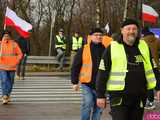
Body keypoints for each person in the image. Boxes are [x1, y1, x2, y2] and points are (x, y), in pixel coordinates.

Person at [96, 18, 160, 120]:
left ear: (137, 31)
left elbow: (153, 67)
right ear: (122, 30)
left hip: (139, 96)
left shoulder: (144, 46)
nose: (131, 31)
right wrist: (100, 95)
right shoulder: (112, 47)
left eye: (134, 29)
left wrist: (158, 88)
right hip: (119, 97)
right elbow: (102, 71)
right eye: (128, 29)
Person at [71, 28, 111, 120]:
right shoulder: (84, 49)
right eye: (96, 35)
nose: (99, 36)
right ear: (91, 37)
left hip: (101, 85)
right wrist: (74, 82)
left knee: (99, 107)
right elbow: (75, 66)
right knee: (88, 103)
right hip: (87, 83)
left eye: (100, 35)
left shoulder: (106, 50)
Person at [0, 30, 23, 104]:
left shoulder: (14, 44)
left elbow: (20, 54)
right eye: (5, 35)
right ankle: (4, 96)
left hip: (12, 67)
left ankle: (8, 94)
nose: (6, 37)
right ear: (3, 36)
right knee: (4, 81)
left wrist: (16, 61)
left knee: (11, 82)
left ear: (10, 36)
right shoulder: (0, 44)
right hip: (2, 67)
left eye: (7, 35)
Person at [142, 30, 160, 110]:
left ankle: (150, 102)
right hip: (155, 63)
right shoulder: (158, 40)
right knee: (157, 81)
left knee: (148, 83)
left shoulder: (142, 41)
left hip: (146, 65)